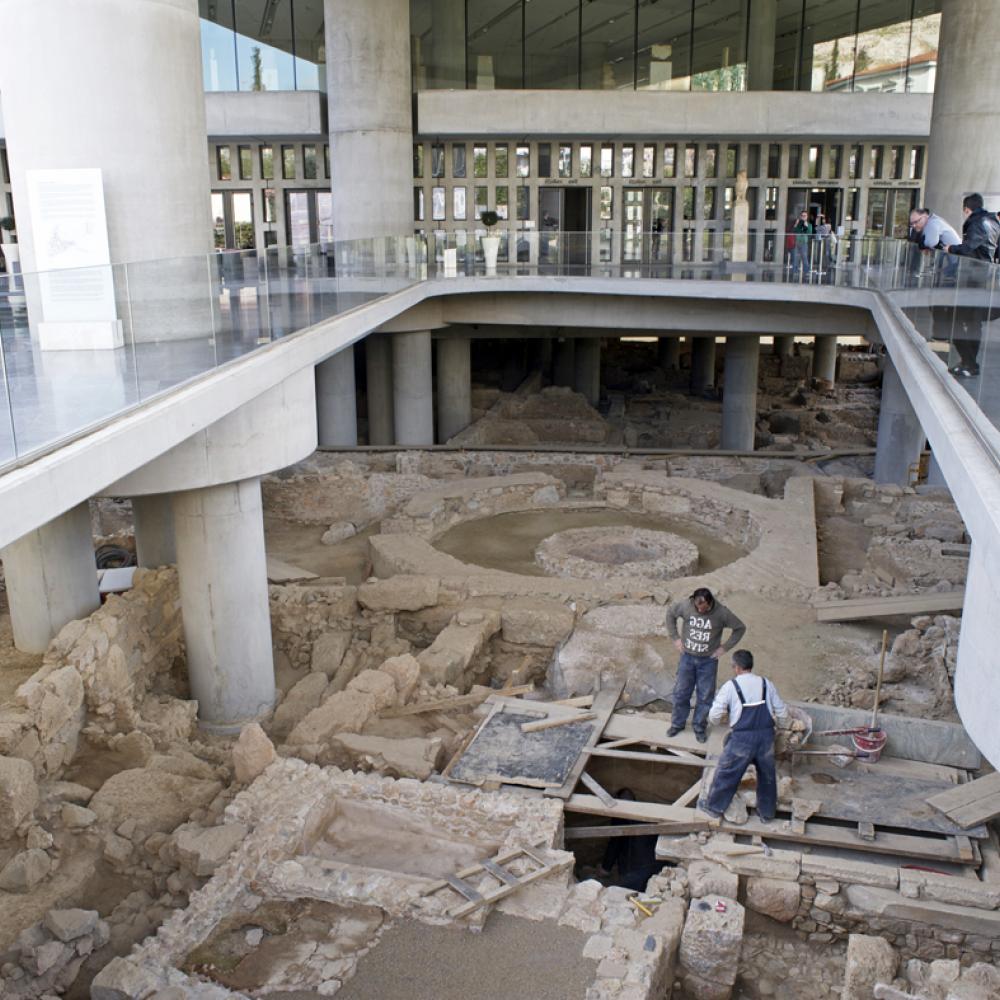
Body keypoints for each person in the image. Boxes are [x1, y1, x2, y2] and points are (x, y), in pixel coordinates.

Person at [701, 649, 789, 823]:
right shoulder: (766, 684)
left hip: (742, 740)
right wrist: (783, 727)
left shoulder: (730, 687)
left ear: (736, 667)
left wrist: (716, 722)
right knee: (767, 775)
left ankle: (714, 807)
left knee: (727, 772)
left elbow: (715, 715)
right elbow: (781, 711)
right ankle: (767, 813)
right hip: (765, 738)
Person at [665, 587, 746, 743]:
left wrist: (724, 648)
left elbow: (739, 628)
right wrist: (675, 638)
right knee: (681, 692)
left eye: (705, 609)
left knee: (705, 696)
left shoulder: (722, 613)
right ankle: (677, 724)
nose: (701, 611)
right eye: (698, 608)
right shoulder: (686, 606)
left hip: (708, 661)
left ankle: (699, 727)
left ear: (711, 603)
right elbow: (670, 614)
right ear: (693, 602)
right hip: (687, 658)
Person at [941, 194, 1000, 378]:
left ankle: (970, 363)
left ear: (967, 209)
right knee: (973, 323)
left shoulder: (977, 223)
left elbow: (968, 248)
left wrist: (950, 249)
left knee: (954, 320)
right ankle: (969, 363)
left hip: (973, 281)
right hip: (983, 280)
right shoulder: (992, 222)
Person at [596, 789, 666, 890]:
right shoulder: (648, 813)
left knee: (629, 894)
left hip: (633, 870)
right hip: (654, 868)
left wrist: (605, 868)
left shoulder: (620, 817)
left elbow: (615, 844)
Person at [789, 210, 813, 276]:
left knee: (804, 257)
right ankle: (795, 271)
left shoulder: (809, 225)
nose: (803, 217)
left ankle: (806, 272)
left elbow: (809, 233)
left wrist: (805, 226)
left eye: (804, 216)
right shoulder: (798, 223)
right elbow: (793, 231)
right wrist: (796, 224)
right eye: (802, 216)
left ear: (807, 217)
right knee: (795, 258)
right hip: (796, 243)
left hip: (804, 243)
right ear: (800, 216)